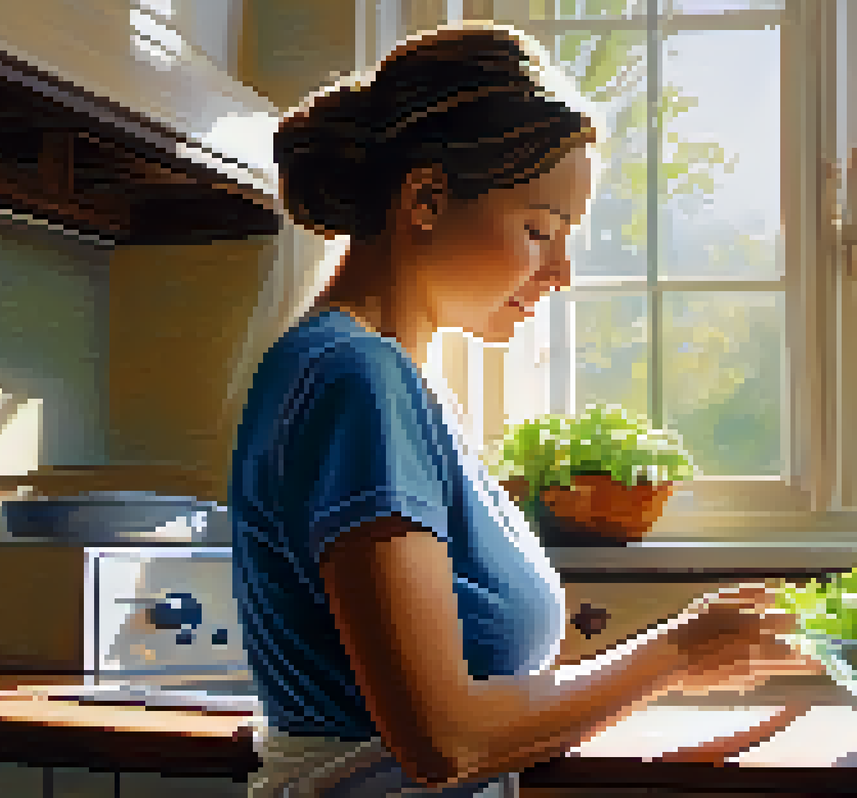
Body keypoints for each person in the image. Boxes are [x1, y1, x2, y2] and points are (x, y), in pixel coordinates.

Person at [230, 21, 808, 798]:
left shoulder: (385, 379)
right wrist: (674, 655)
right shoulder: (355, 379)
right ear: (426, 200)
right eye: (540, 230)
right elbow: (444, 741)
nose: (561, 272)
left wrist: (654, 683)